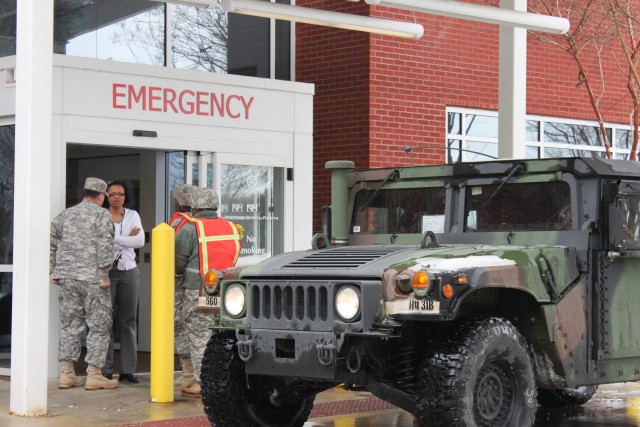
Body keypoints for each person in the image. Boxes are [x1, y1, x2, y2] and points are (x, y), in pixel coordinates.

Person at [50, 177, 119, 390]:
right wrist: (103, 274)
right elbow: (105, 246)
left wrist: (53, 270)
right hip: (93, 280)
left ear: (84, 194)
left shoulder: (66, 214)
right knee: (98, 326)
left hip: (68, 278)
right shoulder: (102, 215)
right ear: (100, 197)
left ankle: (67, 373)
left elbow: (51, 241)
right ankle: (95, 375)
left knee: (70, 325)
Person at [175, 187, 241, 398]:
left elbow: (177, 260)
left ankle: (202, 381)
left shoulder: (191, 228)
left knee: (198, 334)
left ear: (195, 206)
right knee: (219, 334)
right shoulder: (231, 226)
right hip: (227, 289)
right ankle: (223, 378)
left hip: (198, 287)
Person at [102, 181, 145, 383]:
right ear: (106, 197)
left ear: (125, 196)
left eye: (120, 194)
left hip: (128, 270)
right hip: (106, 272)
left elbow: (140, 241)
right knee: (105, 321)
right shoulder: (101, 216)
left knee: (128, 321)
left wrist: (116, 240)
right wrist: (126, 238)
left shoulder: (133, 215)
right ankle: (106, 369)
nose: (117, 197)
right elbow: (100, 243)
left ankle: (128, 370)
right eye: (112, 194)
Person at [169, 184, 197, 388]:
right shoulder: (206, 223)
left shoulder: (181, 223)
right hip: (206, 282)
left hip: (183, 282)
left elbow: (177, 255)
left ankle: (191, 373)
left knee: (182, 325)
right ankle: (189, 372)